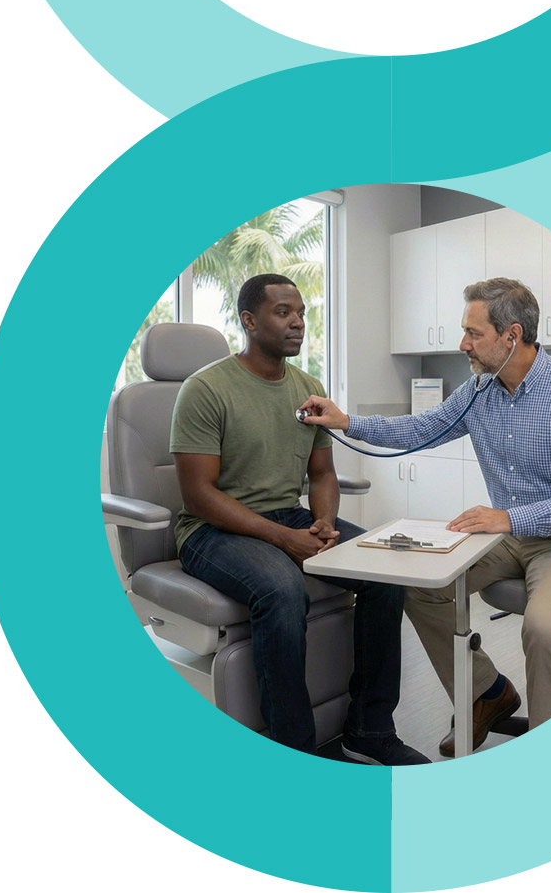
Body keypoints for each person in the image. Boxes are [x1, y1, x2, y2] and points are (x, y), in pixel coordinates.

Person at [300, 277, 551, 756]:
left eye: (473, 333)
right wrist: (346, 421)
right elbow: (421, 428)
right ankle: (487, 692)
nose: (462, 343)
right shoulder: (478, 392)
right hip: (504, 538)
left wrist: (508, 518)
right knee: (416, 584)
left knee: (545, 628)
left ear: (511, 336)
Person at [170, 273, 429, 765]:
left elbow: (322, 473)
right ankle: (294, 751)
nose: (298, 323)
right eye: (283, 312)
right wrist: (283, 539)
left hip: (287, 516)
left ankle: (369, 730)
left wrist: (325, 521)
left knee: (384, 574)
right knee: (281, 589)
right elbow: (198, 495)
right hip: (210, 530)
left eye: (302, 313)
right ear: (249, 321)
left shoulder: (309, 389)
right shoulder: (205, 389)